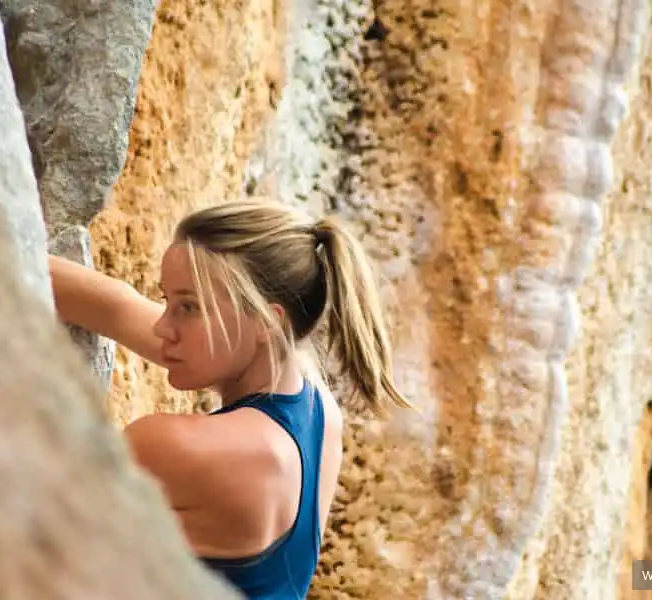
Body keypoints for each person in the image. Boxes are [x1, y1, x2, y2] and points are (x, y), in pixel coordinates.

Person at [46, 198, 412, 599]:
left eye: (188, 307)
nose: (164, 327)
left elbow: (31, 517)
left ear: (268, 322)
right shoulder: (318, 410)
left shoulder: (184, 448)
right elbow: (119, 308)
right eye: (168, 302)